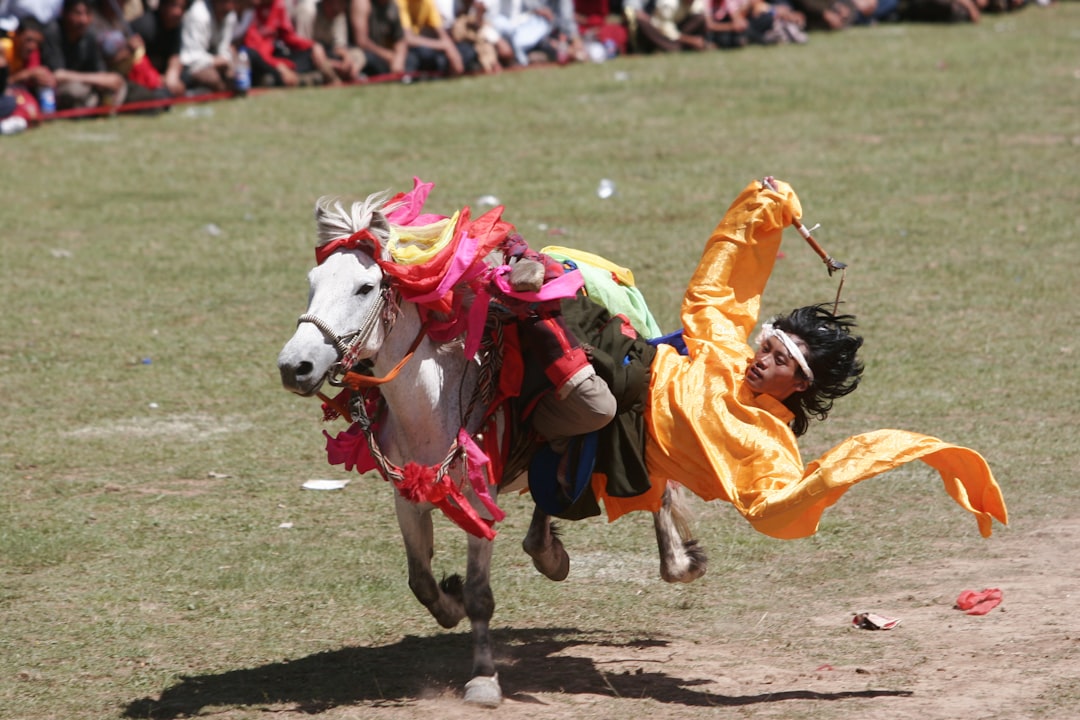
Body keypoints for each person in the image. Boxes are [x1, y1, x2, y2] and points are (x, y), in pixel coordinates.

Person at [587, 177, 1007, 542]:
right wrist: (763, 206)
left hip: (619, 424)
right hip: (624, 360)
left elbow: (775, 510)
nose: (763, 361)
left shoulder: (768, 445)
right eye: (766, 347)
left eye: (779, 361)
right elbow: (718, 290)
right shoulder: (727, 350)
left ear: (801, 383)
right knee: (570, 276)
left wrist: (886, 452)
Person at [40, 0, 127, 109]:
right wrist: (97, 79)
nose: (83, 20)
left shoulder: (89, 35)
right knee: (74, 90)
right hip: (61, 88)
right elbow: (57, 75)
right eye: (77, 13)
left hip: (87, 84)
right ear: (64, 13)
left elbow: (99, 70)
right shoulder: (53, 31)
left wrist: (106, 79)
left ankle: (100, 106)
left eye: (87, 14)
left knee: (118, 82)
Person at [241, 0, 338, 86]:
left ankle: (294, 78)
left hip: (275, 57)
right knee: (252, 55)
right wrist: (277, 65)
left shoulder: (278, 4)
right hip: (258, 60)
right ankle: (300, 79)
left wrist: (313, 45)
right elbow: (253, 48)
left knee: (311, 54)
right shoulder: (249, 9)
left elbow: (288, 37)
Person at [178, 0, 238, 93]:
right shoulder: (199, 15)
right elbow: (192, 57)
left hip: (214, 59)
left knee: (237, 72)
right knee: (213, 79)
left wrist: (227, 62)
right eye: (224, 2)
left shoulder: (230, 14)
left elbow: (225, 48)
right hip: (190, 66)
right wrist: (216, 61)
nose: (229, 6)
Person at [396, 0, 467, 76]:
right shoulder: (399, 3)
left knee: (464, 51)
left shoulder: (427, 2)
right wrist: (443, 45)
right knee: (422, 54)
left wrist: (453, 53)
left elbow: (442, 33)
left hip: (419, 43)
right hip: (401, 47)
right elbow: (408, 38)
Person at [131, 0, 186, 96]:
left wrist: (172, 77)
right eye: (173, 5)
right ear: (162, 6)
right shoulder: (144, 27)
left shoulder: (177, 26)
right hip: (141, 79)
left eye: (182, 7)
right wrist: (161, 80)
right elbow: (137, 64)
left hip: (161, 77)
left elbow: (175, 56)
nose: (178, 12)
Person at [349, 0, 406, 76]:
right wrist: (388, 56)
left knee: (413, 58)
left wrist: (399, 59)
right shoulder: (361, 3)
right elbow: (361, 42)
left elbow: (400, 38)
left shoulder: (392, 6)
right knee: (369, 60)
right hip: (362, 52)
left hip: (384, 54)